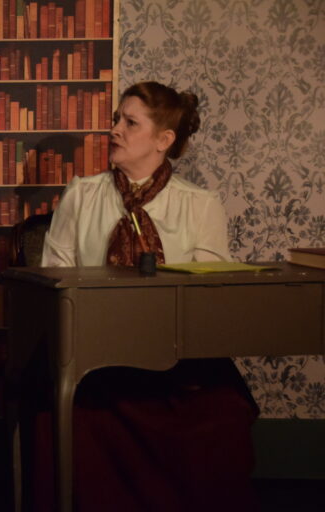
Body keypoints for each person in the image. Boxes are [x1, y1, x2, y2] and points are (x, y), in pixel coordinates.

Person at [41, 82, 259, 511]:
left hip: (176, 358)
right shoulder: (82, 195)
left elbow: (210, 300)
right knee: (70, 411)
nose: (114, 130)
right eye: (116, 120)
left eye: (130, 123)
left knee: (222, 412)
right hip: (95, 355)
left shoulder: (200, 205)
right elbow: (53, 280)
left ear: (164, 140)